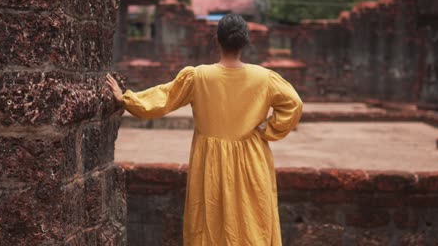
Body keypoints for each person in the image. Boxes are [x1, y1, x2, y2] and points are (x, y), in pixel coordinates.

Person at [106, 14, 303, 246]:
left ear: (217, 40)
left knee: (209, 222)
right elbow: (294, 104)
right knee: (252, 219)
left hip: (209, 162)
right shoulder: (265, 78)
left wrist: (127, 98)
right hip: (252, 159)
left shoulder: (199, 76)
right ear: (245, 43)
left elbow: (163, 98)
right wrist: (269, 130)